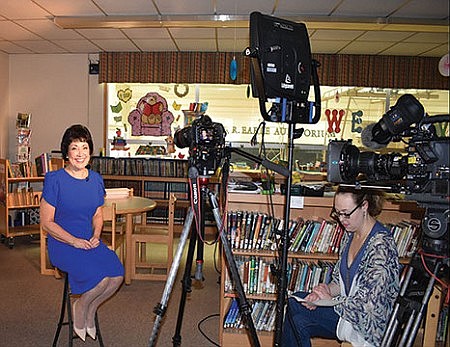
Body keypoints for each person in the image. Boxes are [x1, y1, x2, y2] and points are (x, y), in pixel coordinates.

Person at [282, 185, 400, 347]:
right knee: (296, 302)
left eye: (346, 213)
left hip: (366, 327)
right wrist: (324, 291)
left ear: (364, 206)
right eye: (337, 213)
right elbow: (339, 281)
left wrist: (331, 301)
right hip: (345, 311)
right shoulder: (350, 235)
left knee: (297, 320)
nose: (341, 220)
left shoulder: (381, 247)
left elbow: (369, 307)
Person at [40, 124, 124, 342]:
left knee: (116, 276)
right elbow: (47, 223)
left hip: (89, 241)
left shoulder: (95, 179)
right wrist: (74, 241)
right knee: (100, 280)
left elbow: (98, 214)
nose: (80, 153)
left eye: (84, 148)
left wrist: (96, 235)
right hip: (63, 243)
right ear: (66, 152)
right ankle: (80, 307)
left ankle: (90, 307)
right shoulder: (54, 179)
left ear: (90, 151)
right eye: (74, 147)